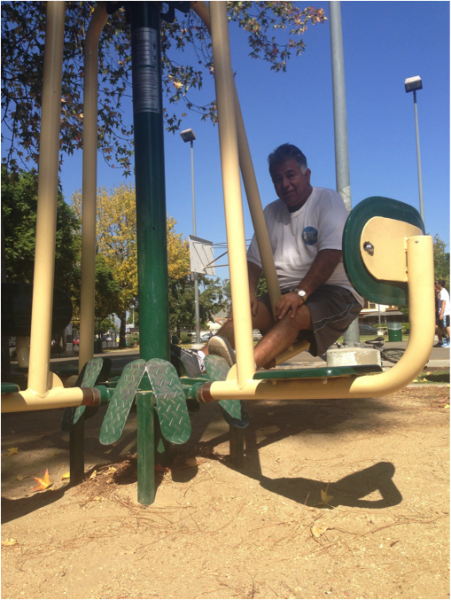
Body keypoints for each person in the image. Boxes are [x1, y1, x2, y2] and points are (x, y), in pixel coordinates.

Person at [198, 143, 363, 370]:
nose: (284, 184)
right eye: (277, 179)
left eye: (290, 175)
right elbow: (254, 262)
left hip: (334, 293)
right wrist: (247, 295)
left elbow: (332, 253)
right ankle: (199, 361)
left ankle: (243, 369)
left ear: (307, 175)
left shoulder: (327, 200)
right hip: (285, 295)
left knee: (292, 315)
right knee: (244, 314)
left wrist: (300, 293)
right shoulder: (270, 212)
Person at [436, 279, 451, 348]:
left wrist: (441, 314)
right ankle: (447, 340)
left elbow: (443, 303)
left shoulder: (443, 292)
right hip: (444, 312)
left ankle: (450, 341)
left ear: (439, 284)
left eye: (437, 283)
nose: (436, 285)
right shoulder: (442, 292)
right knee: (444, 326)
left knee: (447, 326)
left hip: (445, 312)